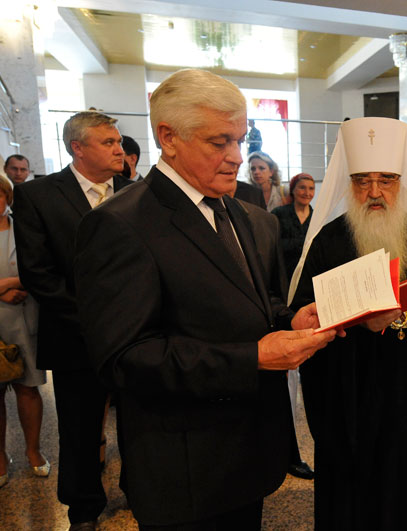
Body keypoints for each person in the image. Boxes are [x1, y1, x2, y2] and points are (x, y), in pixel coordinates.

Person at [73, 69, 335, 529]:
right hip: (185, 465)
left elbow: (252, 301)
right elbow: (124, 358)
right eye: (220, 142)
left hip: (248, 452)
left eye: (240, 140)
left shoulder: (242, 213)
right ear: (168, 137)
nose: (237, 156)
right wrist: (253, 358)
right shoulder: (120, 224)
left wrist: (289, 320)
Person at [290, 117, 407, 529]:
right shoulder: (329, 241)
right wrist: (356, 324)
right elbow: (303, 314)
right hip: (351, 392)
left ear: (401, 183)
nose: (374, 192)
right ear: (349, 185)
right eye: (362, 181)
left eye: (386, 180)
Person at [12, 111, 132, 530]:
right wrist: (95, 320)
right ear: (77, 148)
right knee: (80, 427)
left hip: (136, 333)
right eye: (108, 142)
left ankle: (140, 491)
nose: (119, 149)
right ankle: (82, 508)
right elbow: (37, 272)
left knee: (138, 421)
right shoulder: (39, 195)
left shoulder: (136, 192)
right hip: (74, 332)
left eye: (118, 141)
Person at [0, 176, 49, 489]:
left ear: (8, 197)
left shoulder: (24, 228)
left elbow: (40, 267)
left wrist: (9, 285)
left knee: (28, 389)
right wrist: (2, 292)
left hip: (23, 317)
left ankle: (34, 451)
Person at [271, 172, 316, 480]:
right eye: (302, 187)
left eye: (311, 188)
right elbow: (277, 250)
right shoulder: (279, 215)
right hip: (283, 293)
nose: (307, 192)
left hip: (309, 294)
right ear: (293, 189)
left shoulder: (318, 215)